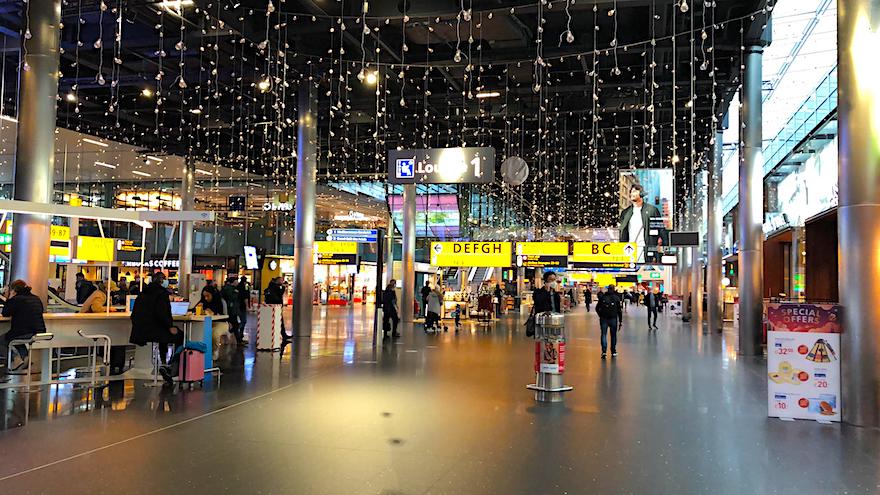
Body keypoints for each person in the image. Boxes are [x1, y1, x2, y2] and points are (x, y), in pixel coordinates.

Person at [129, 272, 180, 381]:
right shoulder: (162, 294)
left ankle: (164, 363)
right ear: (162, 281)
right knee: (179, 336)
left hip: (142, 331)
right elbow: (162, 313)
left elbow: (134, 314)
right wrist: (169, 326)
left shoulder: (143, 293)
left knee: (164, 334)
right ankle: (170, 366)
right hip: (155, 331)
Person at [0, 280, 46, 373]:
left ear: (13, 290)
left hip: (23, 331)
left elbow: (5, 312)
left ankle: (14, 359)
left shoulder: (16, 299)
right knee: (17, 340)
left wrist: (8, 298)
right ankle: (25, 357)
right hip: (38, 331)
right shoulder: (36, 298)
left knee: (2, 340)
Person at [619, 183, 664, 263]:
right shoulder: (625, 212)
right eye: (631, 192)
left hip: (646, 251)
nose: (632, 194)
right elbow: (622, 232)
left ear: (642, 193)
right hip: (630, 251)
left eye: (635, 191)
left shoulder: (652, 210)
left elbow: (661, 230)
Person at [596, 284, 622, 359]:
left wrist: (600, 315)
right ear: (613, 289)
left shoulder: (603, 297)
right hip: (613, 319)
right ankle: (613, 351)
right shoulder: (616, 298)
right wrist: (620, 321)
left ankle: (604, 352)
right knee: (613, 335)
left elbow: (597, 308)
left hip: (604, 319)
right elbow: (619, 311)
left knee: (603, 334)